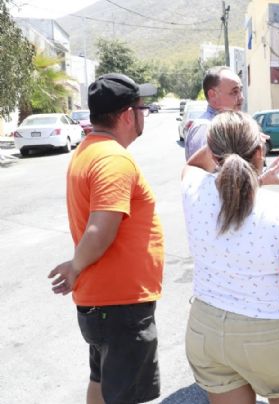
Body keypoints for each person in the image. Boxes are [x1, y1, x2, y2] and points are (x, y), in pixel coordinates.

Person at [182, 111, 279, 404]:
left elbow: (195, 164)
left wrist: (223, 138)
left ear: (213, 150)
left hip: (207, 330)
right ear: (259, 152)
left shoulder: (192, 189)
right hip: (271, 335)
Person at [48, 73, 164, 404]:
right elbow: (101, 227)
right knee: (124, 395)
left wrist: (78, 267)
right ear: (128, 115)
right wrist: (75, 266)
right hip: (120, 305)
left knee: (101, 381)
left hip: (103, 302)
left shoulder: (89, 150)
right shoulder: (113, 158)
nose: (144, 113)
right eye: (142, 107)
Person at [184, 66, 244, 160]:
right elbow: (202, 173)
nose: (241, 97)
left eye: (241, 90)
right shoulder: (205, 128)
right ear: (212, 95)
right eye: (234, 91)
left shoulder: (227, 125)